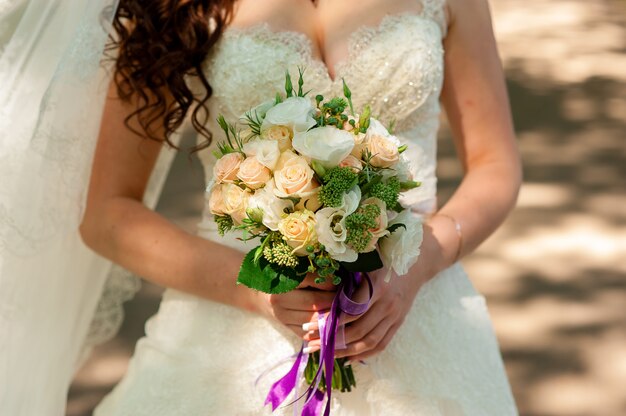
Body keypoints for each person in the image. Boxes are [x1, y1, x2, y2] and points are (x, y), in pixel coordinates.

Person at [77, 0, 522, 414]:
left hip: (414, 306)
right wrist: (252, 291)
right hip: (225, 324)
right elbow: (108, 214)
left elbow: (495, 165)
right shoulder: (174, 6)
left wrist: (426, 256)